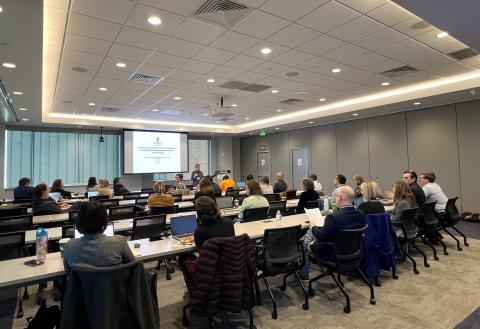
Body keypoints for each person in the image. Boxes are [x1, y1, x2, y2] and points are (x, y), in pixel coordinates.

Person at [299, 186, 365, 280]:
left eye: (336, 196)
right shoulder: (361, 214)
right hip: (355, 252)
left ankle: (303, 274)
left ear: (340, 198)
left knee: (307, 241)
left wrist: (313, 226)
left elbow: (321, 237)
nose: (335, 199)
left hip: (333, 253)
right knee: (310, 235)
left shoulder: (333, 218)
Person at [63, 201, 135, 275]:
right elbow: (134, 267)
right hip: (115, 286)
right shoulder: (120, 241)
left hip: (83, 286)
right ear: (105, 220)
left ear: (79, 221)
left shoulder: (69, 246)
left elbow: (68, 273)